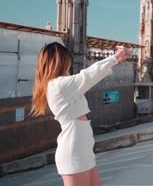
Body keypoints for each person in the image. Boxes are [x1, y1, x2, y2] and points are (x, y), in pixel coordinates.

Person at [31, 42, 132, 186]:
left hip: (82, 149)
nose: (69, 63)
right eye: (67, 59)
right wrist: (116, 57)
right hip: (73, 152)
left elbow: (91, 76)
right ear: (58, 62)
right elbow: (89, 75)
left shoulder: (63, 85)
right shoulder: (58, 85)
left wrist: (116, 61)